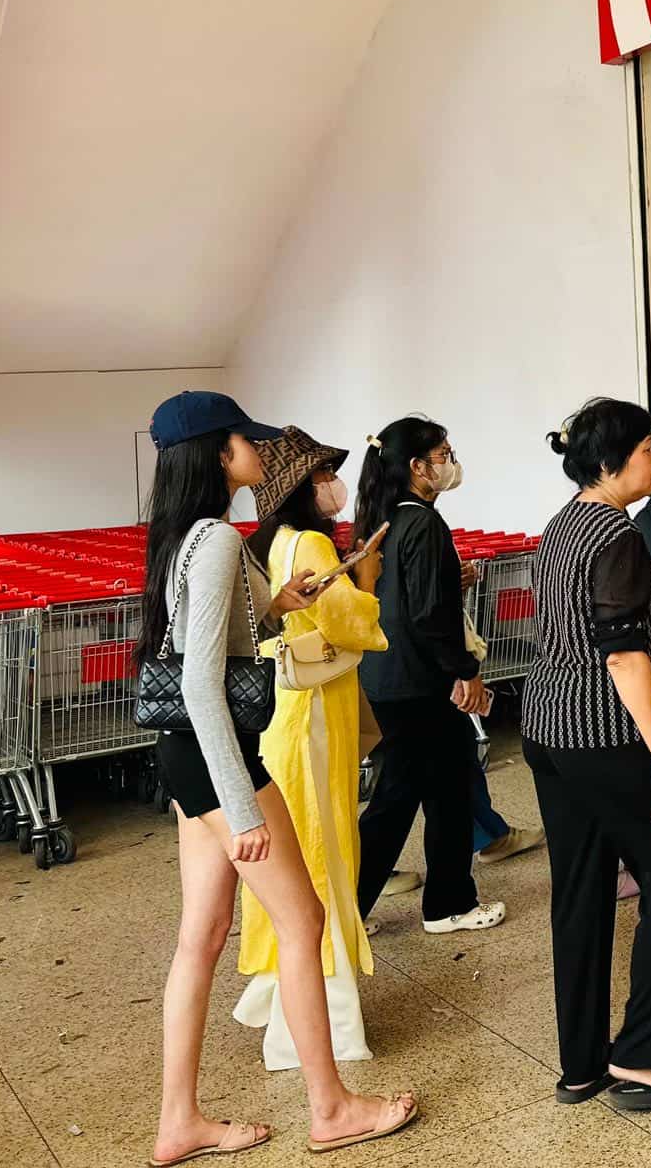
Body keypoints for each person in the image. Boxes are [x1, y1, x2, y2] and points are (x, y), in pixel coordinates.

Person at [136, 392, 416, 1164]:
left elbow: (209, 643)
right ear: (218, 453)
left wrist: (279, 605)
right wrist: (243, 810)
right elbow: (202, 684)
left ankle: (178, 1121)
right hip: (219, 755)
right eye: (247, 440)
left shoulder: (181, 536)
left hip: (185, 755)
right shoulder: (216, 540)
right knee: (303, 922)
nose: (261, 453)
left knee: (202, 938)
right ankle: (331, 1108)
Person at [527, 398, 651, 1113]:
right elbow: (622, 654)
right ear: (611, 461)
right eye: (646, 448)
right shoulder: (618, 535)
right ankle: (642, 1058)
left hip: (548, 729)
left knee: (580, 892)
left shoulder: (563, 522)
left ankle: (581, 1067)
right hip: (605, 734)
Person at [234, 428, 385, 1071]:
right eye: (323, 474)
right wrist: (368, 578)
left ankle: (280, 996)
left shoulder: (268, 542)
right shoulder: (313, 542)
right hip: (317, 715)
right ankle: (323, 1027)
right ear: (303, 485)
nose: (332, 484)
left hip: (285, 714)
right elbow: (348, 620)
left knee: (296, 852)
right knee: (323, 853)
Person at [352, 417, 505, 934]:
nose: (451, 462)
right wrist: (465, 671)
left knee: (428, 792)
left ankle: (363, 912)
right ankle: (442, 904)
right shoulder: (423, 523)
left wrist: (446, 582)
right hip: (419, 683)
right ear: (418, 467)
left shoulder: (386, 519)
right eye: (444, 455)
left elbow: (405, 598)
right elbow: (427, 615)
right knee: (416, 798)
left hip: (389, 676)